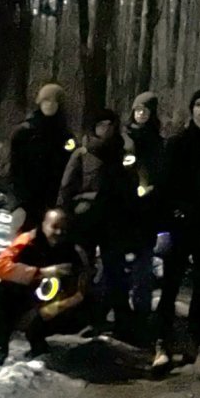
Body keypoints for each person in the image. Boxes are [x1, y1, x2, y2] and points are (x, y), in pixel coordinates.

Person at [151, 89, 200, 371]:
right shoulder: (177, 144)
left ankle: (198, 345)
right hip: (179, 224)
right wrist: (163, 228)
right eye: (199, 104)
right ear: (192, 109)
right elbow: (162, 188)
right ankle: (161, 343)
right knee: (170, 287)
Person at [57, 109, 138, 339]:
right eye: (101, 125)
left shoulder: (123, 154)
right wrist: (62, 215)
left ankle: (119, 320)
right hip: (85, 218)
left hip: (113, 218)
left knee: (115, 269)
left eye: (110, 125)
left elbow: (132, 186)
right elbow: (66, 187)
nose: (106, 129)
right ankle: (79, 317)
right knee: (83, 269)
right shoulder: (82, 154)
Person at [0, 209, 91, 365]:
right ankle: (0, 346)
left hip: (55, 302)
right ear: (43, 225)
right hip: (23, 294)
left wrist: (49, 310)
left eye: (64, 229)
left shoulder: (76, 251)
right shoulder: (27, 239)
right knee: (2, 295)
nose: (59, 233)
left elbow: (81, 292)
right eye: (54, 227)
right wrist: (40, 272)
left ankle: (39, 344)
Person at [122, 92, 165, 334]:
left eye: (145, 110)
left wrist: (152, 189)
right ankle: (115, 314)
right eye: (138, 109)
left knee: (143, 266)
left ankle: (141, 316)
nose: (141, 114)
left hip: (147, 211)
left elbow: (161, 172)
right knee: (114, 265)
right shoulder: (124, 137)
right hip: (123, 208)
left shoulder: (157, 142)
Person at [8, 83, 75, 234]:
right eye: (46, 100)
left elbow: (70, 169)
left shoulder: (66, 136)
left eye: (54, 101)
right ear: (39, 102)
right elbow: (13, 170)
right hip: (26, 200)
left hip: (53, 202)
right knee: (22, 243)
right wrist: (17, 204)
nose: (50, 105)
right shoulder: (24, 133)